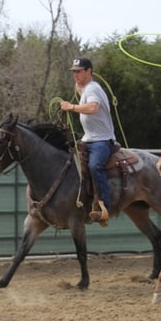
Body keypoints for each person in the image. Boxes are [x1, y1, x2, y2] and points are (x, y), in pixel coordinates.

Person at [60, 57, 116, 225]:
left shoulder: (92, 89)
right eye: (74, 72)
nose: (75, 74)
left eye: (79, 71)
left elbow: (93, 108)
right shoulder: (87, 89)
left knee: (94, 166)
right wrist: (79, 88)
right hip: (88, 139)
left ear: (89, 71)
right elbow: (83, 94)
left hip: (102, 140)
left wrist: (71, 107)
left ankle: (105, 206)